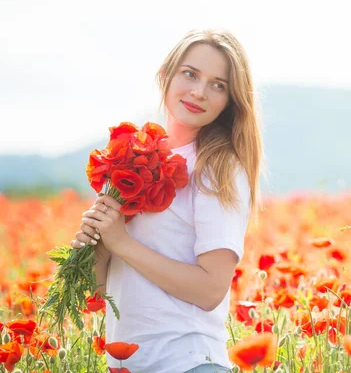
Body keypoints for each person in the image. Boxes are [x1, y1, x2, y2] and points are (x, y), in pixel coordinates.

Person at [71, 28, 263, 373]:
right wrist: (95, 242)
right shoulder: (130, 157)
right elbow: (101, 287)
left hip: (187, 362)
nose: (199, 92)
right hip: (129, 364)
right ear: (165, 74)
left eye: (218, 85)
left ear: (230, 101)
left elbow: (209, 290)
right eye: (190, 74)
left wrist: (122, 242)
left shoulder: (217, 169)